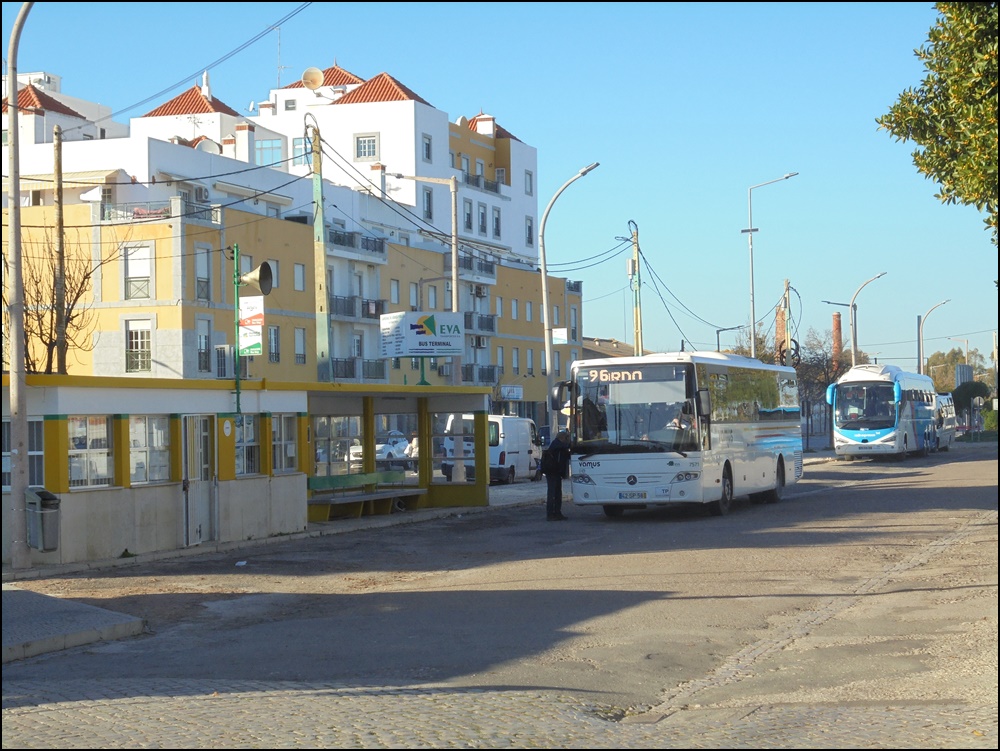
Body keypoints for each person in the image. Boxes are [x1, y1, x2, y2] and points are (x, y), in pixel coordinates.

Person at [542, 428, 572, 521]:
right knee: (553, 493)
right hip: (553, 472)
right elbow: (566, 449)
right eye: (566, 438)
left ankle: (556, 513)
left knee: (557, 493)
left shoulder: (557, 444)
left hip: (554, 472)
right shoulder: (558, 445)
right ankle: (551, 514)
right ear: (563, 438)